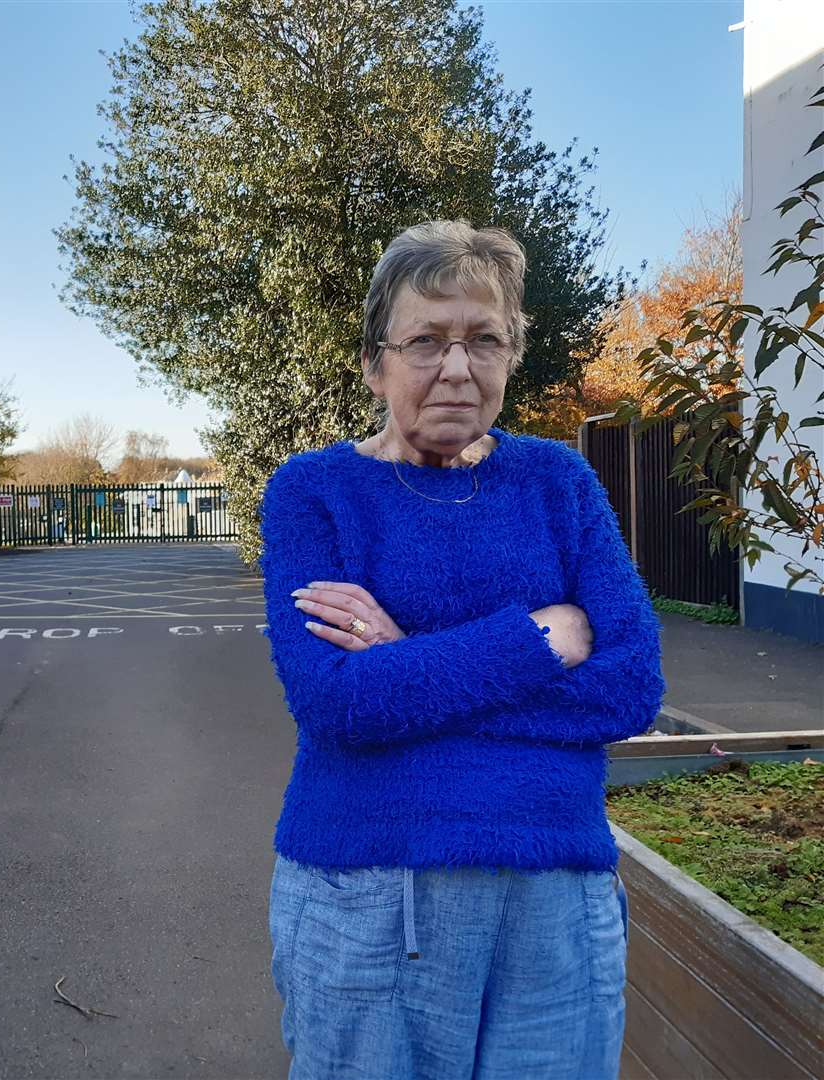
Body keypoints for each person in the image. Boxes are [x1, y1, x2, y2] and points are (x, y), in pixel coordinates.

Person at [260, 219, 665, 1080]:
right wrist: (541, 638)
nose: (457, 367)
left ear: (512, 356)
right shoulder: (313, 492)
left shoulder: (559, 483)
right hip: (368, 891)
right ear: (375, 361)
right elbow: (340, 703)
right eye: (426, 341)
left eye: (485, 339)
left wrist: (408, 656)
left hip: (559, 897)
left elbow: (629, 687)